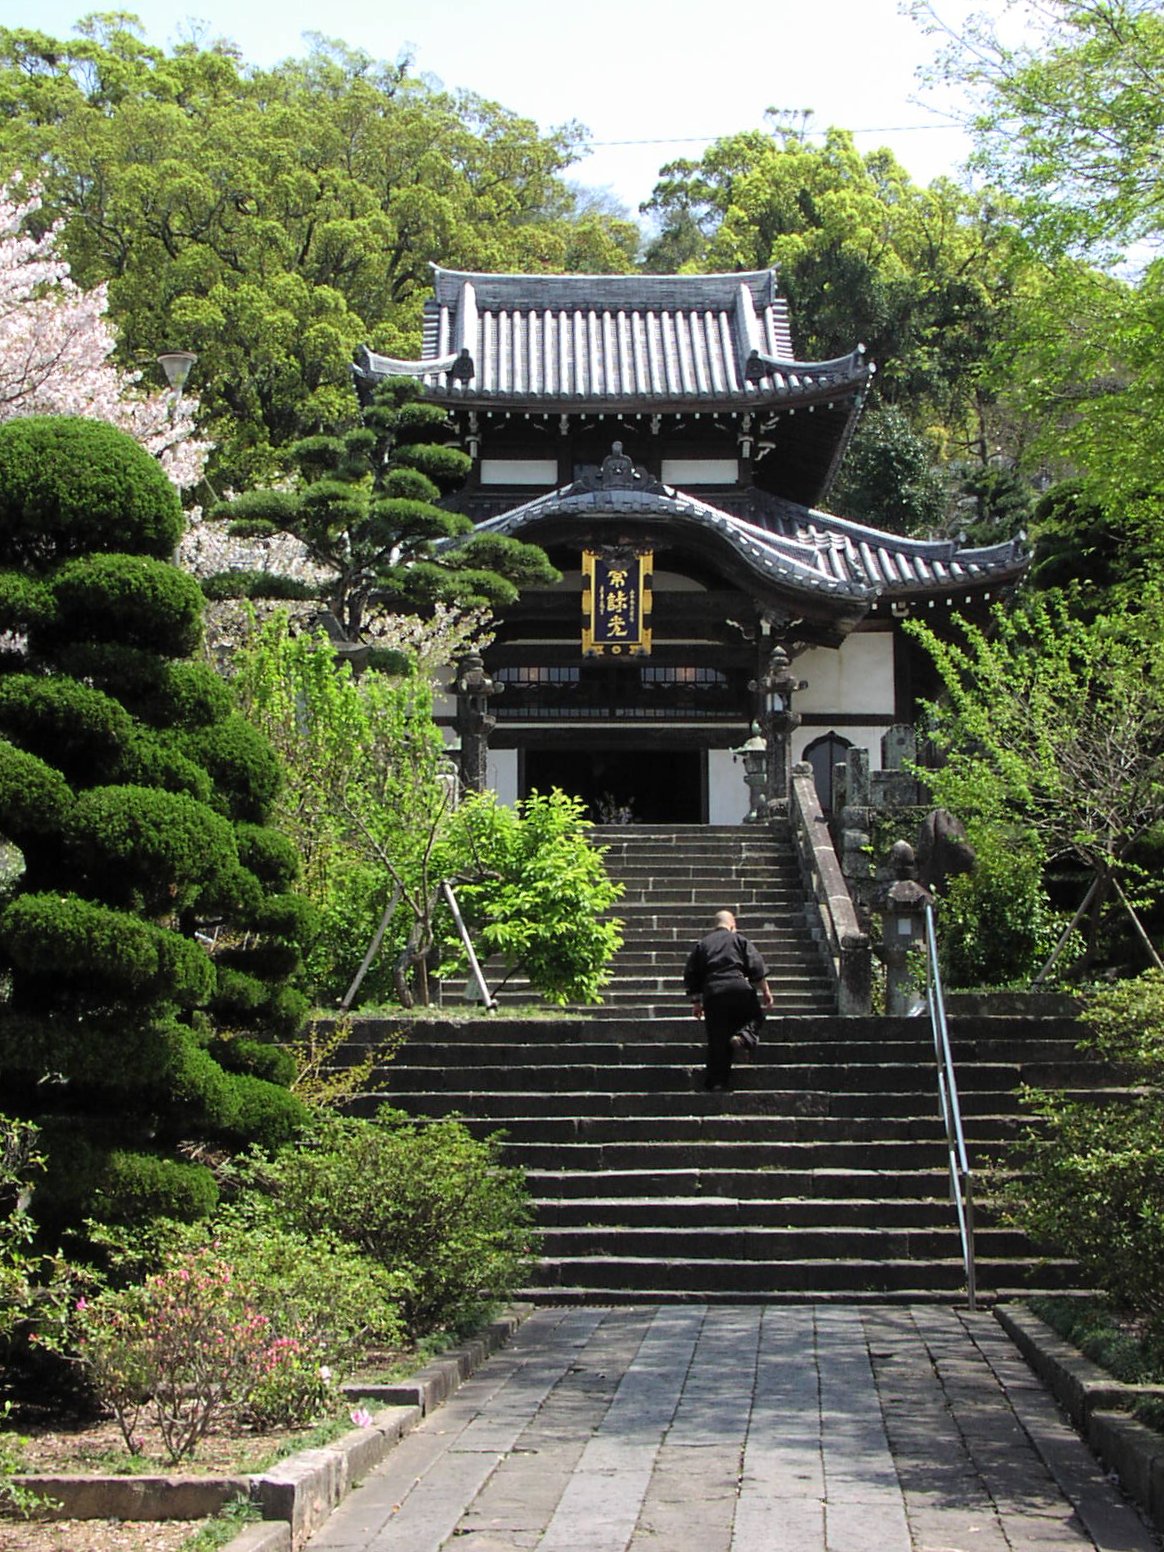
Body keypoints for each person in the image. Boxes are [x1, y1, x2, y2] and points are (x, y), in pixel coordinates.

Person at [684, 909, 774, 1090]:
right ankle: (743, 1036)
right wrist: (766, 991)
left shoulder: (702, 945)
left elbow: (691, 974)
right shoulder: (739, 940)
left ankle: (717, 1082)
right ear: (732, 926)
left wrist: (696, 1002)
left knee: (717, 1038)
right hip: (738, 987)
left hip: (714, 993)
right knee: (755, 1016)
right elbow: (756, 967)